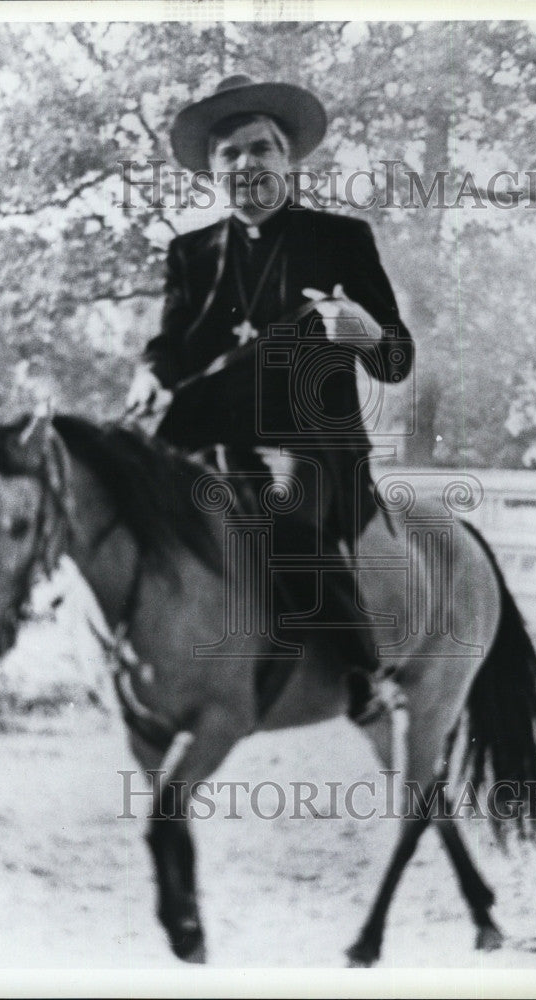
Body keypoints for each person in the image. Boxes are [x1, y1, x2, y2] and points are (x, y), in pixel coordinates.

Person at [126, 75, 414, 714]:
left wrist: (367, 334)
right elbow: (170, 345)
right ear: (212, 172)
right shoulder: (189, 252)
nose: (246, 164)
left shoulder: (340, 240)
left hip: (312, 444)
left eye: (261, 149)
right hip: (207, 439)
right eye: (230, 154)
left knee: (286, 513)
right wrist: (149, 373)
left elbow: (397, 359)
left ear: (287, 161)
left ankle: (363, 675)